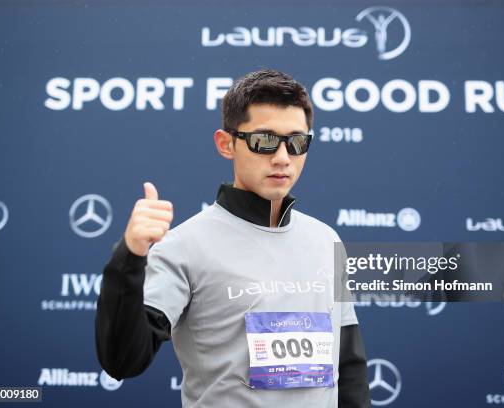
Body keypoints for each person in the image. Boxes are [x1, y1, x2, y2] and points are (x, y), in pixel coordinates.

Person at [95, 69, 370, 407]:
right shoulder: (184, 246)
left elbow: (349, 367)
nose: (283, 157)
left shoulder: (325, 239)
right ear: (227, 144)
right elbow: (122, 361)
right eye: (264, 140)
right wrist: (131, 255)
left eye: (297, 142)